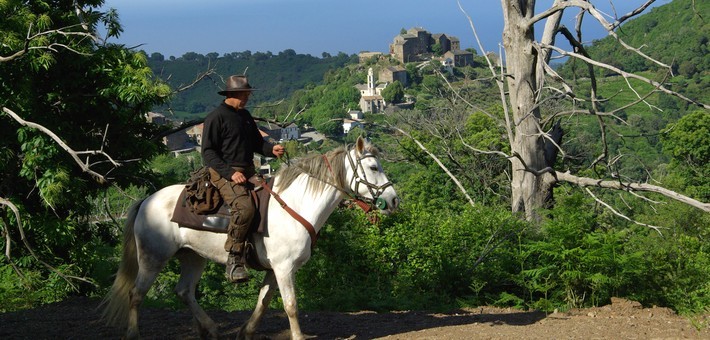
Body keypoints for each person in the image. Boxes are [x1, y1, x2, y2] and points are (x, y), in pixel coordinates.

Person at [201, 75, 285, 283]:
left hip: (247, 171)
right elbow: (208, 153)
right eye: (244, 94)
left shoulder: (246, 116)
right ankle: (234, 259)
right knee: (245, 208)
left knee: (274, 198)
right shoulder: (216, 117)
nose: (247, 98)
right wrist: (230, 173)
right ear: (232, 94)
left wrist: (270, 149)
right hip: (222, 173)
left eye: (248, 94)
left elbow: (257, 144)